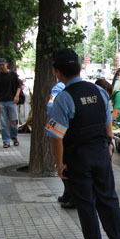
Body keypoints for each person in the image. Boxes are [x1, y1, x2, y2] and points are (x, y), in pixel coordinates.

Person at [46, 48, 120, 239]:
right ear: (80, 68)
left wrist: (59, 164)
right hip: (101, 151)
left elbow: (56, 136)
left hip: (78, 156)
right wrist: (108, 146)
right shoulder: (99, 91)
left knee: (86, 203)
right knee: (108, 196)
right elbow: (107, 122)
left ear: (57, 72)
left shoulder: (63, 98)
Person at [47, 78, 75, 209]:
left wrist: (58, 165)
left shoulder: (58, 89)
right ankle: (68, 193)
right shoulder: (88, 89)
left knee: (64, 166)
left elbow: (50, 107)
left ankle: (71, 195)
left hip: (63, 130)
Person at [0, 58, 21, 148]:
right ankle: (6, 141)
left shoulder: (12, 74)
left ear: (6, 64)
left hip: (11, 101)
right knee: (3, 123)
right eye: (0, 65)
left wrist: (17, 96)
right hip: (2, 101)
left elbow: (19, 86)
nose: (2, 66)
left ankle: (14, 137)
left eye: (3, 64)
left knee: (14, 121)